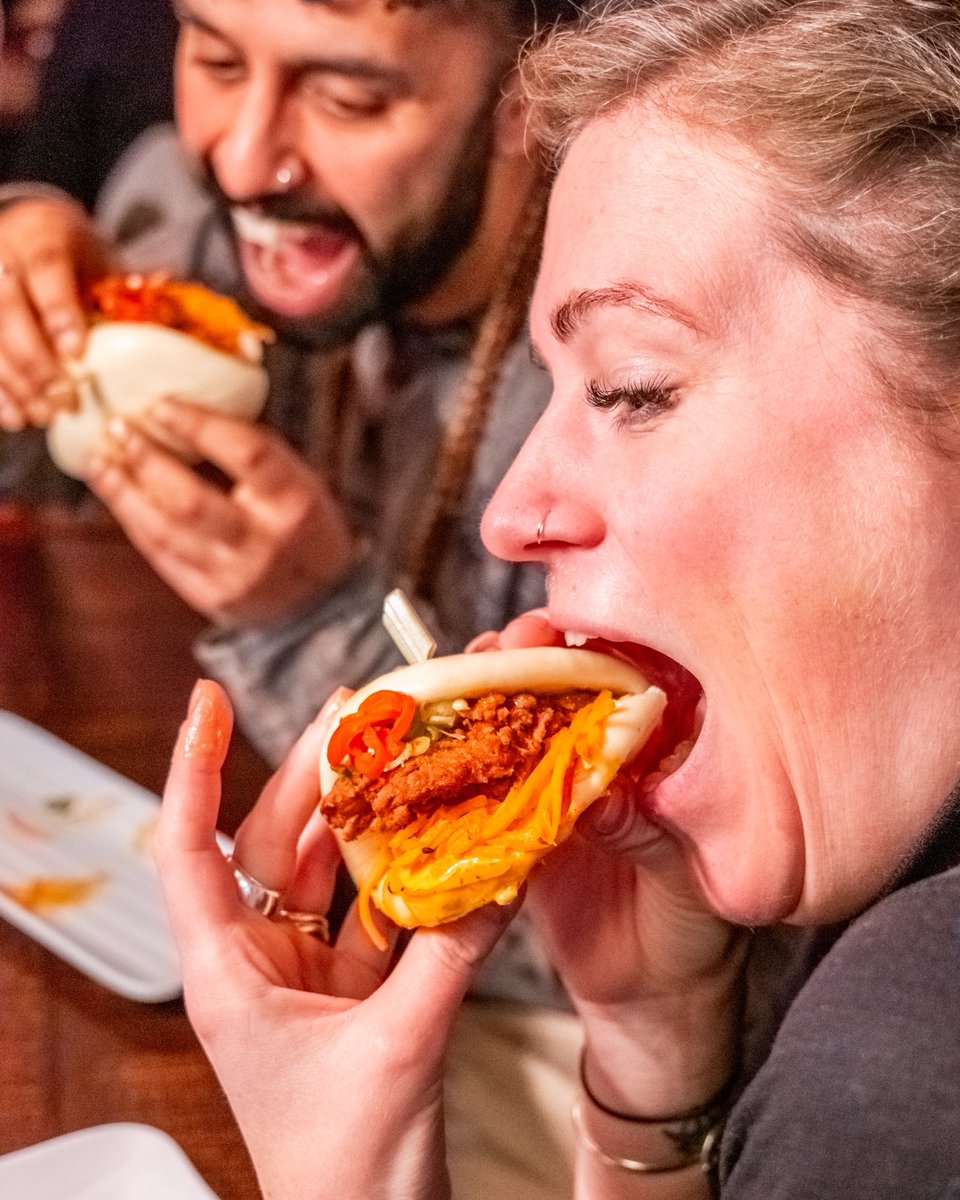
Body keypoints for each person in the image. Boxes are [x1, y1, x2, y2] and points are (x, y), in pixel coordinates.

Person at [153, 0, 960, 1196]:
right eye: (214, 56)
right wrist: (658, 1044)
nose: (514, 513)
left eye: (632, 390)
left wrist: (345, 1170)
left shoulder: (893, 1076)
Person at [0, 0, 576, 773]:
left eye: (347, 100)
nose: (241, 163)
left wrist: (310, 616)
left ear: (532, 96)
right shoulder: (223, 238)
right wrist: (26, 263)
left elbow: (561, 866)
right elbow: (39, 460)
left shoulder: (620, 388)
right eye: (216, 61)